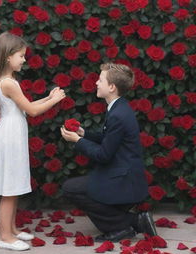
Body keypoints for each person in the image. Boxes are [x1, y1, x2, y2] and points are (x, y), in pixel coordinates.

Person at [0, 31, 66, 251]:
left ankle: (10, 229)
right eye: (21, 55)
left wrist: (48, 97)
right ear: (8, 57)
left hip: (11, 134)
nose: (24, 59)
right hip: (9, 137)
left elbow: (25, 106)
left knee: (13, 186)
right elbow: (31, 111)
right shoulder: (9, 83)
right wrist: (55, 101)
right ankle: (5, 237)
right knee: (9, 189)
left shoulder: (8, 81)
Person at [60, 62, 157, 242]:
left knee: (70, 189)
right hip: (122, 174)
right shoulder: (118, 107)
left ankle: (135, 222)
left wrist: (77, 141)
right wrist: (84, 133)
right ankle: (123, 228)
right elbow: (109, 140)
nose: (96, 83)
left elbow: (103, 155)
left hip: (124, 181)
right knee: (79, 186)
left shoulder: (118, 114)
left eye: (100, 79)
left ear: (112, 87)